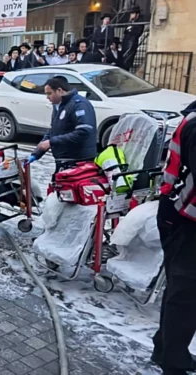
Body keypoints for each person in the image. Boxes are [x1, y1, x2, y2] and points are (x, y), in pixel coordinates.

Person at [154, 100, 196, 375]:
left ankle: (167, 349)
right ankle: (173, 361)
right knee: (186, 295)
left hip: (181, 215)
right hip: (184, 220)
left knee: (181, 292)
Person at [27, 76, 97, 169]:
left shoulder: (79, 104)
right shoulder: (58, 105)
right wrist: (37, 153)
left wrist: (52, 142)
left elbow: (84, 132)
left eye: (49, 93)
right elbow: (54, 131)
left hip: (78, 161)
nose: (47, 97)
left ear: (59, 90)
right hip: (63, 160)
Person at [121, 6, 144, 71]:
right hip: (126, 42)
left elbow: (138, 33)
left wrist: (130, 30)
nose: (131, 15)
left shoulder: (139, 22)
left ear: (137, 14)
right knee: (123, 60)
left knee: (127, 61)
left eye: (133, 13)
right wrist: (129, 30)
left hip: (132, 43)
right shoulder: (130, 22)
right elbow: (125, 31)